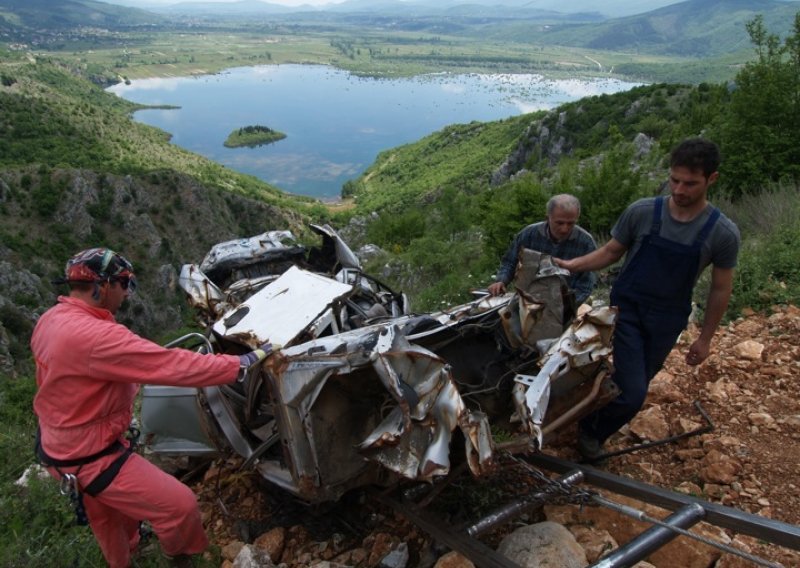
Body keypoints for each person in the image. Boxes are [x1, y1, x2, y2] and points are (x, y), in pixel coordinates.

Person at [30, 248, 274, 568]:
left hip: (58, 449)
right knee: (180, 506)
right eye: (125, 285)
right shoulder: (95, 336)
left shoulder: (52, 319)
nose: (127, 295)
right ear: (103, 287)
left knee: (108, 520)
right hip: (92, 457)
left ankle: (126, 558)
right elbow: (171, 365)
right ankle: (179, 560)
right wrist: (242, 363)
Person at [555, 138, 740, 460]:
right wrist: (572, 266)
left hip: (668, 320)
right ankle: (588, 433)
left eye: (690, 183)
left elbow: (720, 288)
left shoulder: (721, 232)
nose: (679, 190)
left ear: (712, 179)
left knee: (635, 380)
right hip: (627, 311)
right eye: (675, 180)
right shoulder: (642, 212)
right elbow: (611, 252)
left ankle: (587, 415)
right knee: (633, 393)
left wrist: (705, 339)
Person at [488, 193, 597, 305]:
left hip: (566, 303)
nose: (565, 229)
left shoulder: (586, 243)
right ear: (547, 218)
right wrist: (501, 281)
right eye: (559, 223)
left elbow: (586, 285)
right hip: (528, 299)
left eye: (571, 223)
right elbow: (510, 262)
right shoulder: (529, 234)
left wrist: (567, 306)